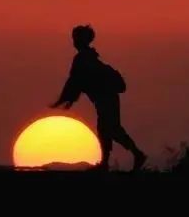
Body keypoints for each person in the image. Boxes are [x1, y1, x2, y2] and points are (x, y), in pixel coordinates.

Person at [50, 25, 147, 172]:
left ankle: (134, 155)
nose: (74, 41)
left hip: (105, 97)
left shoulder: (83, 59)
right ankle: (109, 161)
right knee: (107, 129)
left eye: (76, 38)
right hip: (106, 97)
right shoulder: (87, 57)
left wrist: (65, 100)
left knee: (110, 129)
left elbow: (74, 81)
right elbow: (76, 82)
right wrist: (68, 99)